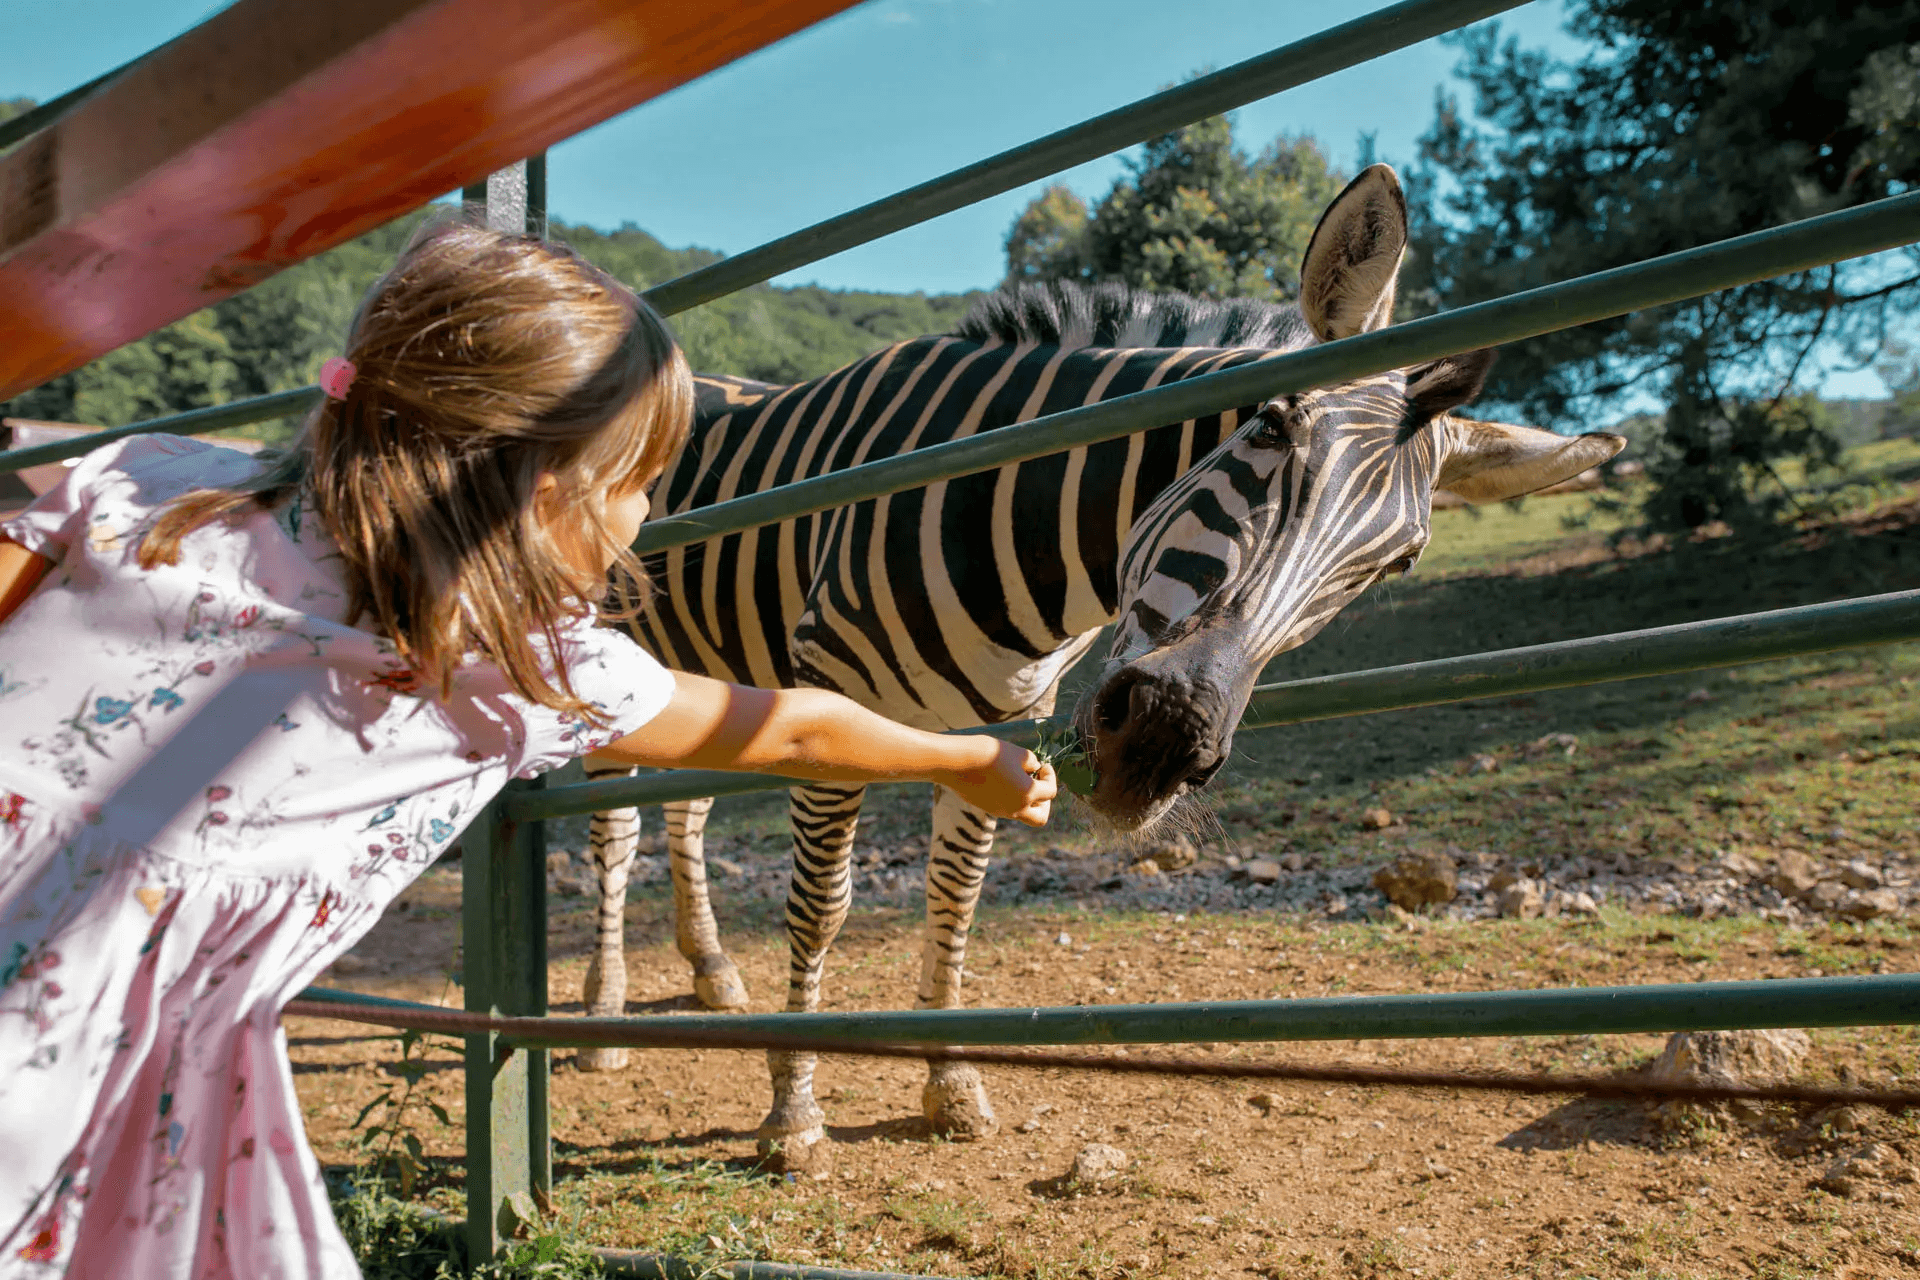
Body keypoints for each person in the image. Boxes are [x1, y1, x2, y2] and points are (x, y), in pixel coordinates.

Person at [0, 221, 1056, 1279]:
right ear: (554, 499)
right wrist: (959, 760)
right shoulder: (521, 669)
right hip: (74, 1065)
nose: (648, 513)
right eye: (643, 481)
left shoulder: (148, 480)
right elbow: (793, 726)